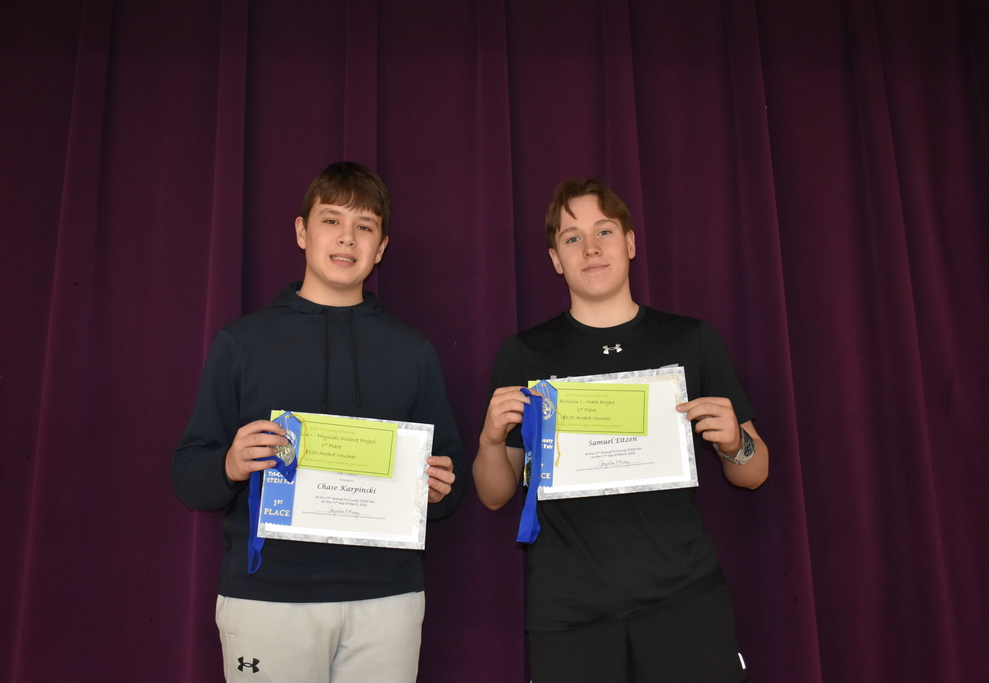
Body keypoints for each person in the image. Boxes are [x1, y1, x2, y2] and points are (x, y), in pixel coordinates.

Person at [172, 161, 464, 683]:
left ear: (382, 247)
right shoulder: (242, 343)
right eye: (331, 220)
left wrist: (439, 489)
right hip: (266, 600)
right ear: (302, 231)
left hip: (387, 602)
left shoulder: (413, 351)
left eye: (365, 226)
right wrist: (230, 464)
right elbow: (189, 475)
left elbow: (451, 483)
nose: (347, 238)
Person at [473, 178, 768, 683]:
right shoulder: (525, 355)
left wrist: (735, 444)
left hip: (685, 599)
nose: (590, 248)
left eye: (604, 231)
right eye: (572, 238)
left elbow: (754, 474)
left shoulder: (691, 340)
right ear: (555, 259)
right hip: (569, 613)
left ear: (630, 243)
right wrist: (490, 441)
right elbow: (497, 496)